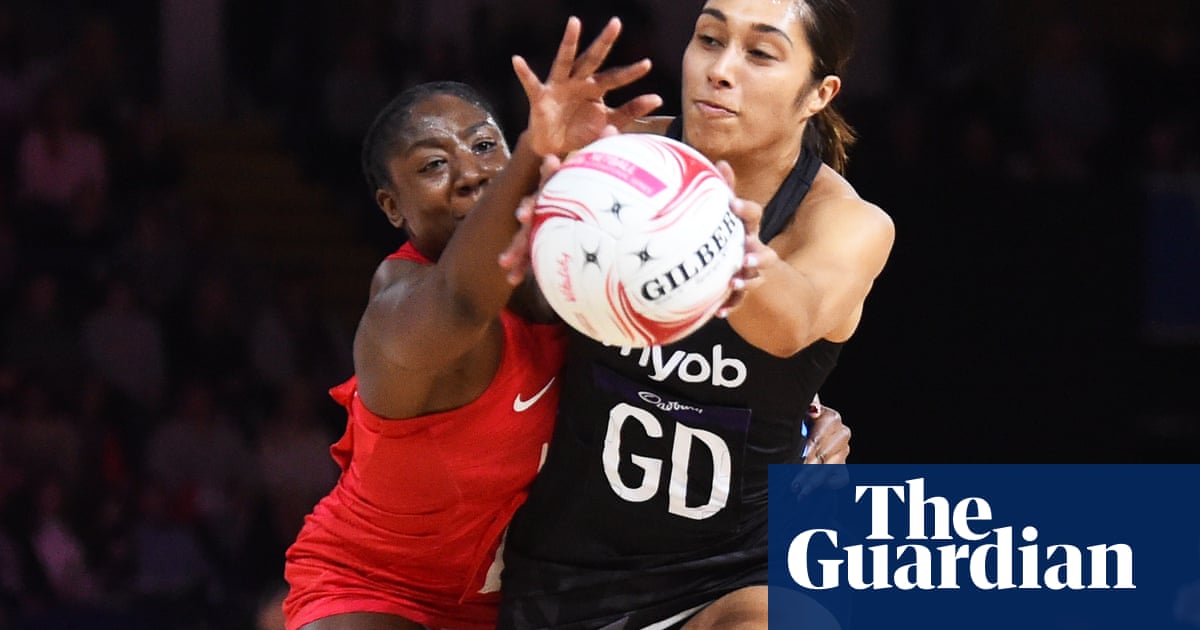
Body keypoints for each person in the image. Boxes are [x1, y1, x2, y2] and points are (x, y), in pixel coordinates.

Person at [496, 0, 894, 628]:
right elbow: (497, 295)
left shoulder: (846, 221)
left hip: (733, 572)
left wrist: (708, 229)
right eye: (709, 39)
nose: (720, 69)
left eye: (760, 53)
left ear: (820, 93)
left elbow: (790, 325)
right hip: (566, 567)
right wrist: (544, 173)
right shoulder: (619, 161)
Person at [281, 17, 666, 630]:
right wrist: (538, 153)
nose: (470, 173)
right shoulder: (399, 302)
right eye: (433, 165)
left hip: (524, 597)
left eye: (486, 147)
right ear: (393, 207)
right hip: (375, 585)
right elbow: (465, 300)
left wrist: (803, 416)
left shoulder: (574, 267)